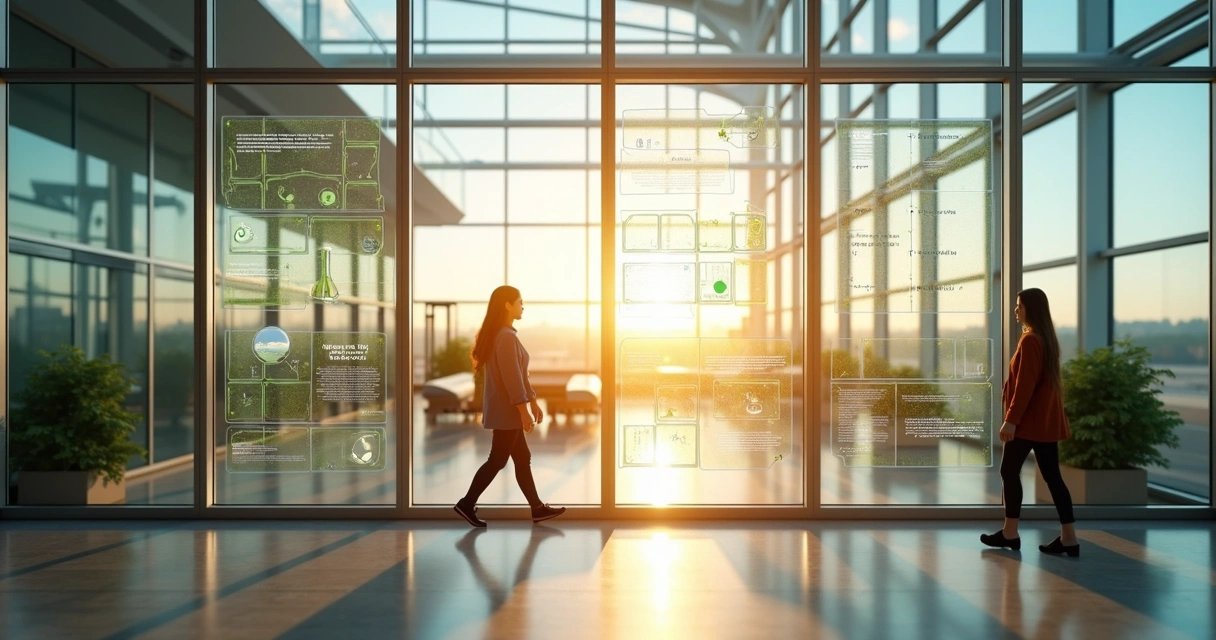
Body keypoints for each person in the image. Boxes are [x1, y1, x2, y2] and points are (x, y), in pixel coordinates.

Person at [454, 285, 566, 528]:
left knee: (521, 457)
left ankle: (537, 509)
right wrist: (524, 411)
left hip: (509, 410)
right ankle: (466, 503)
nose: (523, 306)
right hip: (508, 411)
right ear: (508, 305)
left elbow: (520, 375)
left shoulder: (505, 335)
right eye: (520, 301)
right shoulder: (505, 337)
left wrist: (533, 401)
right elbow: (512, 380)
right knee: (497, 460)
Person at [981, 288, 1079, 556]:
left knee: (1009, 472)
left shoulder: (1030, 340)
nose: (1015, 310)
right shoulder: (1045, 339)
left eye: (1019, 306)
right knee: (1053, 478)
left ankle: (1010, 533)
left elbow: (1025, 387)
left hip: (1027, 423)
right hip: (1042, 423)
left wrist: (1010, 421)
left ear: (1030, 309)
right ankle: (1068, 538)